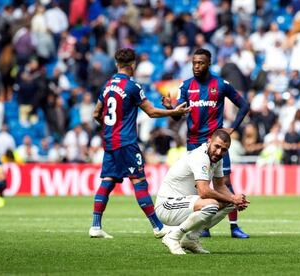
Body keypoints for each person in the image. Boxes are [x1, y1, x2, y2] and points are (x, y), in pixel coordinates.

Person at [89, 48, 190, 239]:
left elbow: (96, 114)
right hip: (126, 141)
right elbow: (151, 112)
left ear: (116, 63)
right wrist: (174, 112)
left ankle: (95, 226)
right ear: (133, 65)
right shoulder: (132, 86)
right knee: (139, 181)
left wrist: (109, 127)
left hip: (110, 141)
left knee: (108, 181)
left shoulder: (107, 85)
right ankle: (158, 227)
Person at [162, 48, 250, 238]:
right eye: (194, 63)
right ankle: (204, 226)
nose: (196, 66)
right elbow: (179, 117)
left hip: (215, 142)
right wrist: (171, 109)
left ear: (209, 64)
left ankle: (234, 226)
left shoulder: (220, 84)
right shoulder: (186, 86)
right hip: (193, 143)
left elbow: (244, 105)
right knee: (198, 185)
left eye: (201, 63)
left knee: (224, 181)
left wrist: (233, 127)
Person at [156, 130, 249, 254]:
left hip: (186, 204)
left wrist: (236, 200)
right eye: (217, 146)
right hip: (167, 205)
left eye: (224, 149)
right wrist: (233, 198)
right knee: (211, 204)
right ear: (209, 141)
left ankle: (190, 239)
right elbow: (204, 192)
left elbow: (220, 186)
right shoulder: (200, 156)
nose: (219, 152)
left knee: (230, 204)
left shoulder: (217, 158)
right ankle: (173, 237)